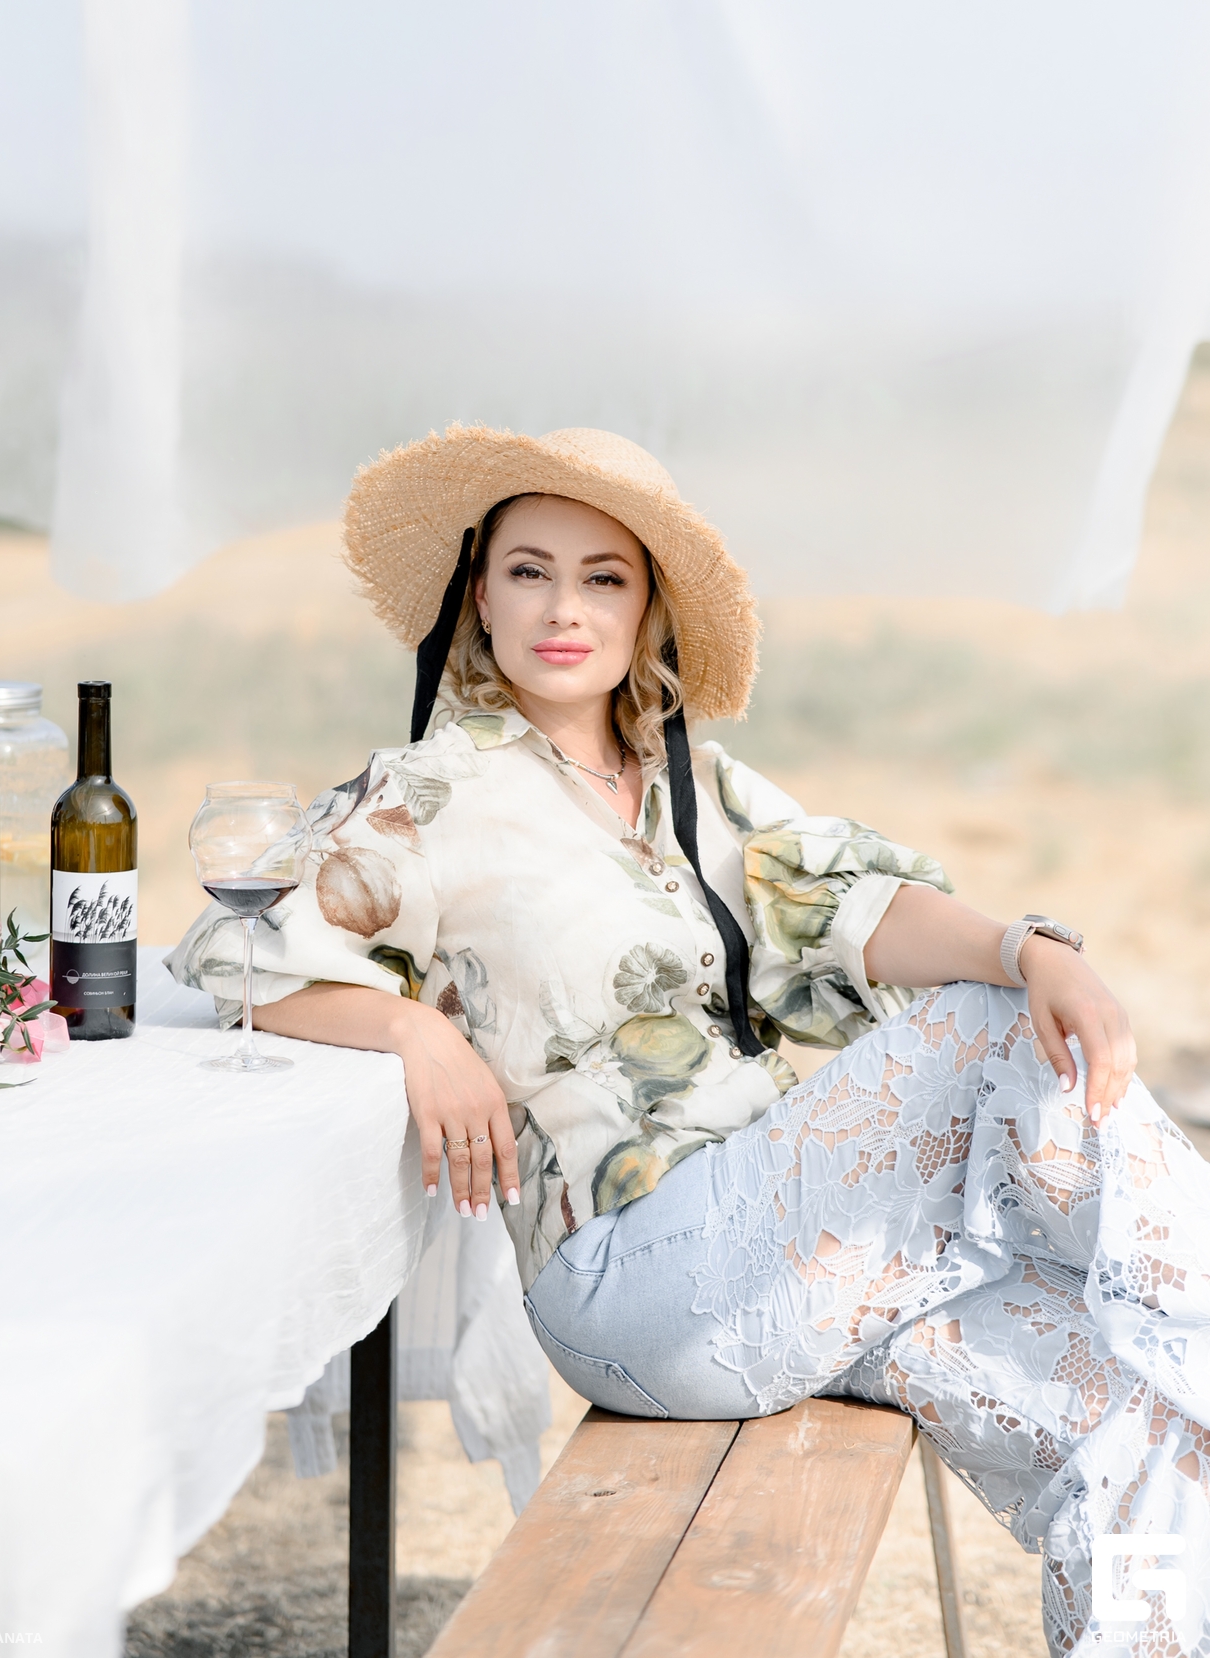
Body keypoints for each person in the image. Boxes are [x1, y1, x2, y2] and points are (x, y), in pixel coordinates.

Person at [169, 424, 1210, 1657]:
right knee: (982, 1026)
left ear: (644, 611)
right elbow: (236, 946)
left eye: (602, 577)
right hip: (634, 1283)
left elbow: (853, 908)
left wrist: (1026, 946)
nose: (564, 607)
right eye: (528, 571)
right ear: (478, 598)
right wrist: (408, 1027)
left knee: (1140, 1423)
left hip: (794, 1264)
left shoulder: (698, 789)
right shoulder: (429, 790)